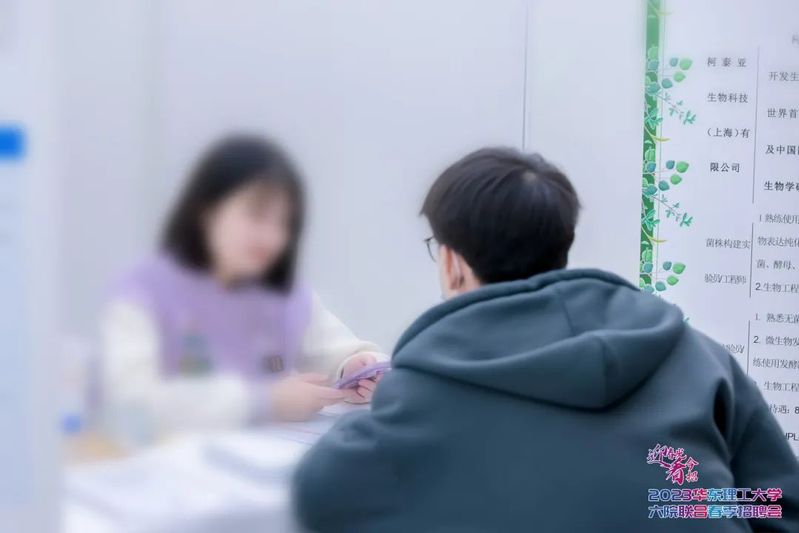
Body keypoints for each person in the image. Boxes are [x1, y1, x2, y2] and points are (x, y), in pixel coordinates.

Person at [293, 147, 799, 532]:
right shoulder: (697, 358)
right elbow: (776, 504)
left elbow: (320, 496)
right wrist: (680, 502)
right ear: (561, 245)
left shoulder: (425, 389)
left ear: (452, 263)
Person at [101, 135, 386, 444]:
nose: (271, 236)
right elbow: (131, 399)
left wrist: (356, 368)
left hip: (273, 457)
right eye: (256, 215)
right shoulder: (147, 292)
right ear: (206, 210)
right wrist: (263, 401)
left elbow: (335, 349)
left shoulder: (285, 295)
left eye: (283, 222)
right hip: (171, 462)